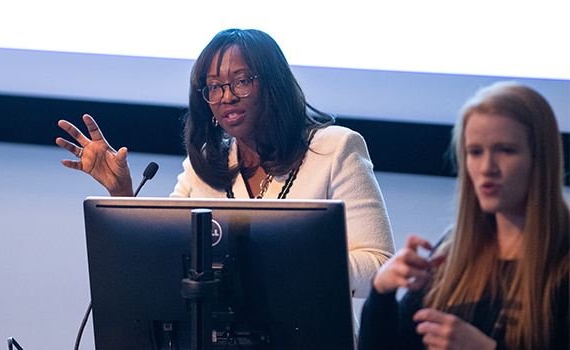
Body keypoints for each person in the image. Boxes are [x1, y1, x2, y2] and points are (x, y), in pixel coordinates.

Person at [56, 28, 395, 298]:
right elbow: (162, 263)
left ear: (273, 85)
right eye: (214, 87)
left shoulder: (335, 149)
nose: (227, 96)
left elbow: (380, 268)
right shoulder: (203, 164)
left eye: (242, 81)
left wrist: (289, 262)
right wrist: (123, 195)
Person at [358, 82, 569, 350]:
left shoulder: (562, 262)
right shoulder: (451, 252)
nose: (487, 168)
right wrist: (381, 292)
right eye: (475, 152)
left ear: (540, 158)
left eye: (505, 150)